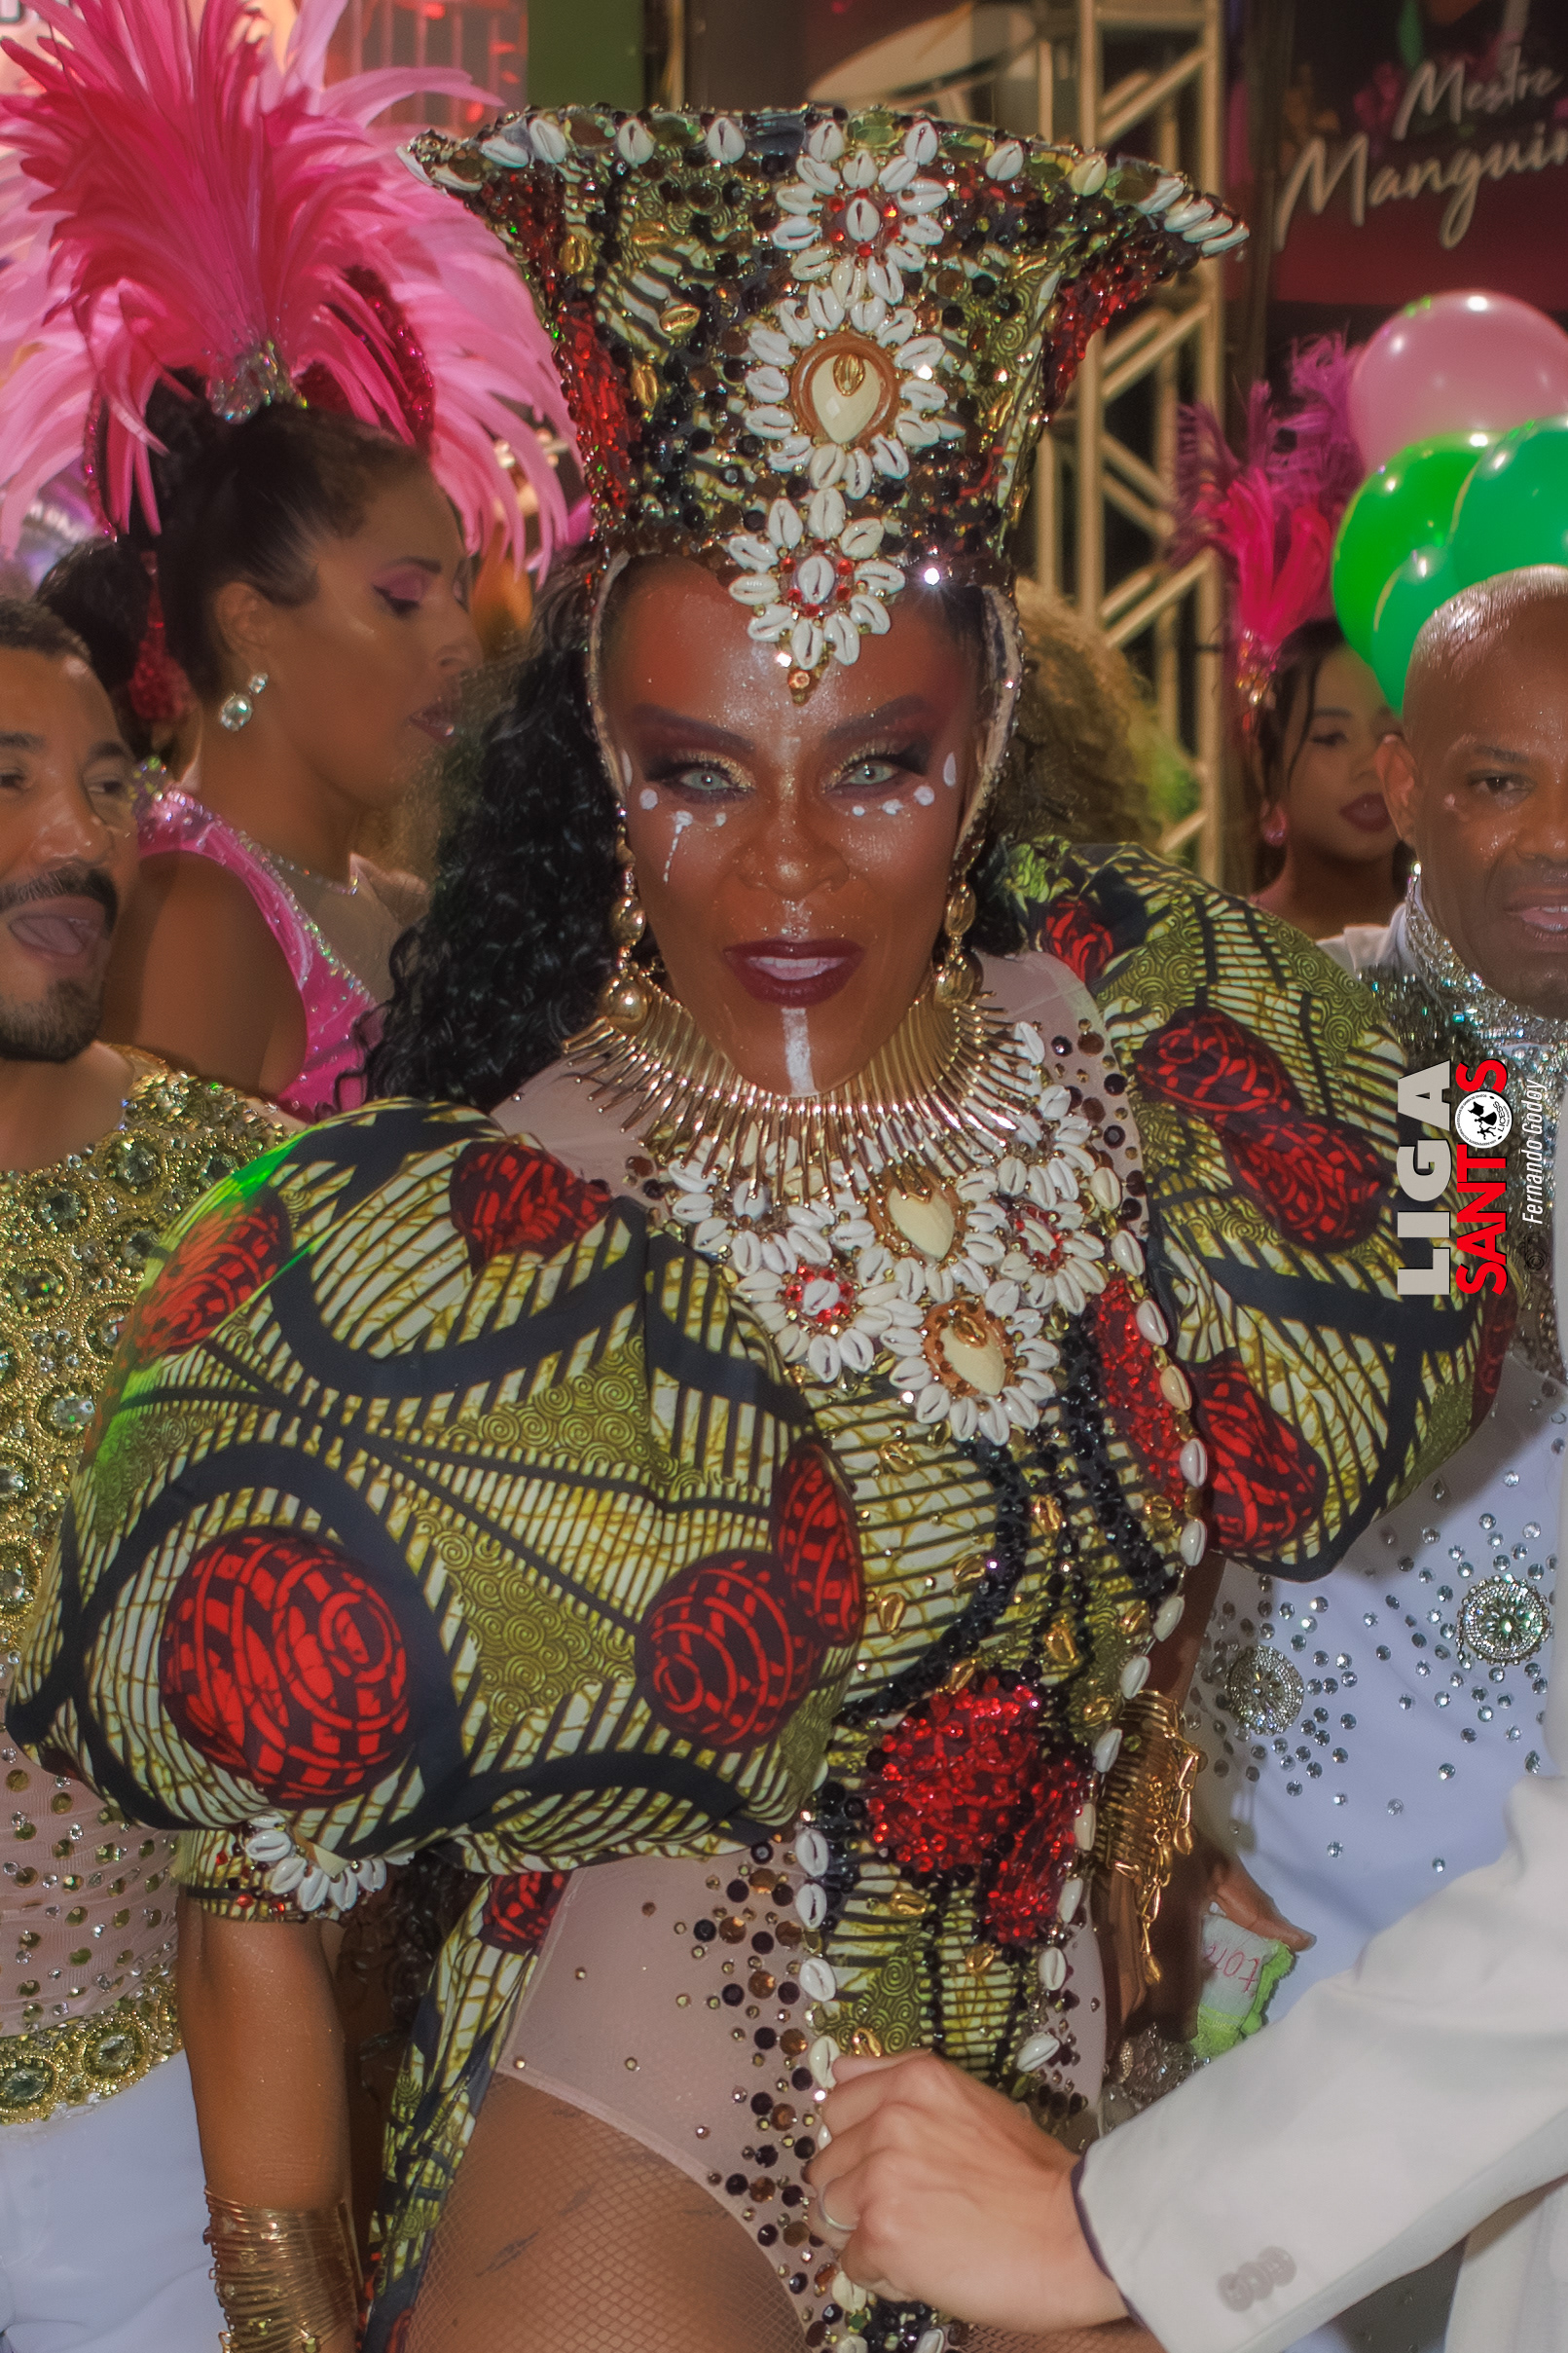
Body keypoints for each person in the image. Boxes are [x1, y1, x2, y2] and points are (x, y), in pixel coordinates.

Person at [9, 101, 1478, 2353]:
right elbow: (257, 1900)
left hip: (1043, 2151)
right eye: (697, 770)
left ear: (985, 738)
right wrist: (289, 2327)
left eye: (874, 763)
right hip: (636, 2155)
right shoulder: (479, 1229)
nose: (784, 869)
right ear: (608, 760)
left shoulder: (1144, 1055)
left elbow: (1441, 1186)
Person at [807, 565, 1568, 2353]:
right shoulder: (1327, 1064)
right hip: (1284, 1885)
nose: (1551, 834)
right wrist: (1141, 1827)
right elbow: (1221, 1451)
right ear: (1398, 778)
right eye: (1496, 779)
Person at [0, 0, 570, 1118]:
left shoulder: (396, 900)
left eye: (457, 595)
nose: (460, 644)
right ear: (251, 623)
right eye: (402, 599)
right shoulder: (191, 919)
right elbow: (140, 1231)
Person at [0, 598, 281, 2351]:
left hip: (143, 2152)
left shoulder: (239, 1209)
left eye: (109, 785)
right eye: (7, 780)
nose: (72, 838)